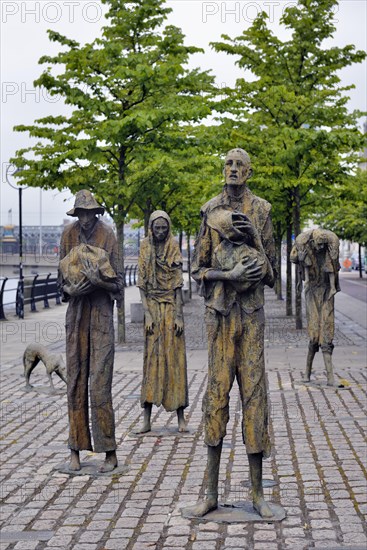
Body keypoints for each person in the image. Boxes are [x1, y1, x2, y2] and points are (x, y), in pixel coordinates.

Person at [187, 148, 276, 518]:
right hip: (220, 317)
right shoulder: (210, 211)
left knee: (255, 397)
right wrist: (229, 277)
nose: (233, 170)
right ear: (222, 169)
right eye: (228, 164)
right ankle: (209, 490)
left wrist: (254, 237)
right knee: (216, 395)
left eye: (240, 165)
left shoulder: (263, 210)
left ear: (250, 172)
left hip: (252, 317)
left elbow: (271, 274)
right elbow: (197, 270)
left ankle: (257, 493)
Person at [58, 190, 123, 472]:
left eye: (90, 213)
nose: (85, 218)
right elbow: (61, 281)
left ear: (96, 213)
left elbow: (119, 285)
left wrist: (99, 282)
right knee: (75, 382)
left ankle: (109, 451)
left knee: (99, 382)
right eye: (81, 213)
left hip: (101, 314)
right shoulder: (67, 236)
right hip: (76, 315)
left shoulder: (108, 235)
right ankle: (75, 448)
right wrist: (70, 289)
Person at [136, 210, 188, 433]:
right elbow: (141, 284)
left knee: (175, 360)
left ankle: (180, 417)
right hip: (153, 310)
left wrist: (178, 315)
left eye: (163, 228)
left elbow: (177, 283)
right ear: (151, 228)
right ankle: (146, 417)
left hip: (170, 308)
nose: (160, 232)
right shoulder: (144, 246)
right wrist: (147, 313)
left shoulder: (173, 245)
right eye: (156, 228)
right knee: (151, 362)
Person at [290, 228, 340, 386]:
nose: (320, 248)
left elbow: (333, 267)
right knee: (313, 334)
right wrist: (300, 257)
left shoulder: (328, 249)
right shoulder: (303, 245)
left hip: (326, 292)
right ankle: (307, 372)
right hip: (312, 292)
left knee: (326, 331)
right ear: (312, 243)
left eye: (322, 246)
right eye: (318, 245)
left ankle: (330, 376)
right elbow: (296, 262)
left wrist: (332, 288)